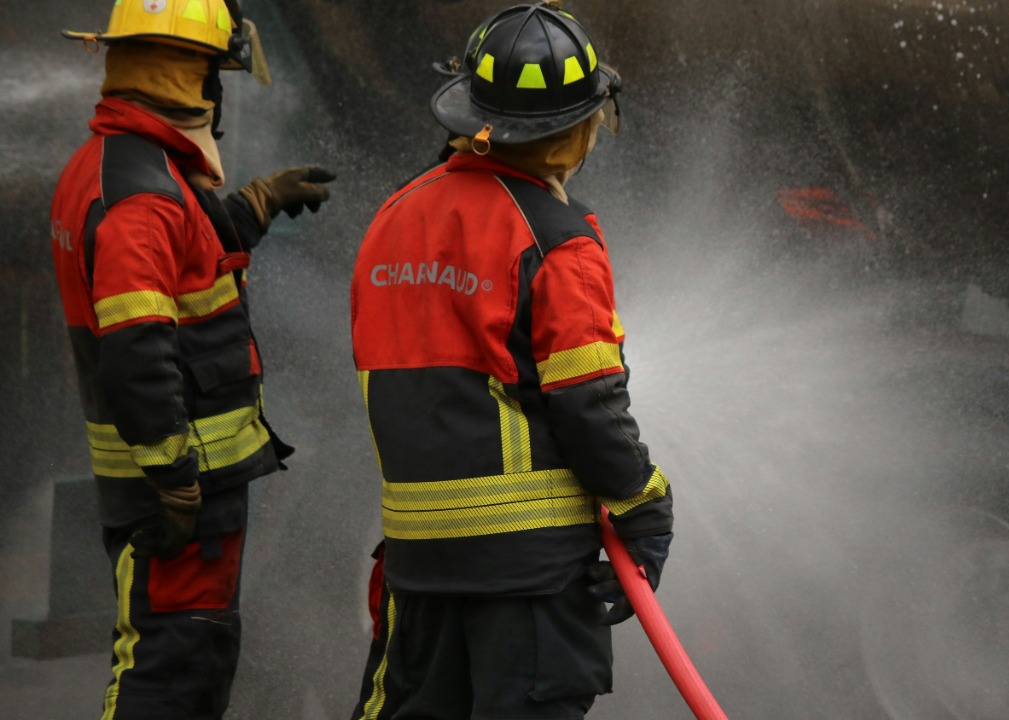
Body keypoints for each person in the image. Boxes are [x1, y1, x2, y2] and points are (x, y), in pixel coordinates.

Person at [348, 4, 674, 719]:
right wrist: (644, 506)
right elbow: (588, 402)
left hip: (417, 570)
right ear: (577, 127)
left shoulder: (393, 217)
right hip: (528, 583)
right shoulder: (559, 241)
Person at [50, 1, 335, 717]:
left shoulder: (127, 168)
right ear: (189, 76)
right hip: (179, 495)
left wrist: (253, 207)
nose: (220, 97)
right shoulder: (140, 197)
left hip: (182, 486)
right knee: (167, 672)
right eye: (216, 76)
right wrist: (175, 480)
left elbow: (179, 265)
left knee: (192, 662)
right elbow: (139, 348)